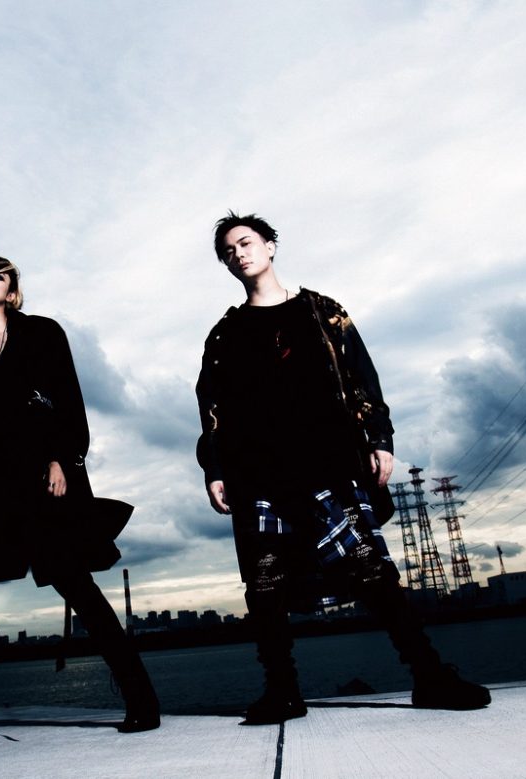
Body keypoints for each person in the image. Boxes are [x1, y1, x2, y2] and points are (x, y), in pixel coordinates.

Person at [195, 212, 490, 725]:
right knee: (265, 584)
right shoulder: (225, 335)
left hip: (325, 463)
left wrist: (379, 439)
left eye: (245, 242)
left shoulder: (323, 312)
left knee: (373, 572)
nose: (238, 254)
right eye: (228, 251)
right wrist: (215, 468)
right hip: (258, 471)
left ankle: (430, 676)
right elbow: (212, 407)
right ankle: (282, 692)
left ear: (270, 246)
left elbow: (361, 378)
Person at [0, 254, 159, 744]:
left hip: (34, 480)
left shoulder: (42, 334)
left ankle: (142, 699)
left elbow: (69, 399)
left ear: (12, 291)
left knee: (75, 584)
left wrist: (62, 458)